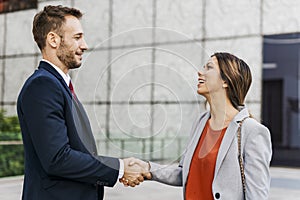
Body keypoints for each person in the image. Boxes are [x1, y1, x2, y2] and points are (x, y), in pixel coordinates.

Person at [17, 5, 149, 200]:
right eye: (77, 37)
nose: (85, 45)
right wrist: (120, 168)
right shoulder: (42, 86)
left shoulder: (58, 85)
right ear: (53, 39)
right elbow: (57, 158)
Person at [126, 52, 272, 199]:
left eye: (209, 67)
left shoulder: (252, 131)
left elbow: (257, 195)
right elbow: (184, 173)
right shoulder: (201, 122)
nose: (200, 72)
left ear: (226, 81)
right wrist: (147, 168)